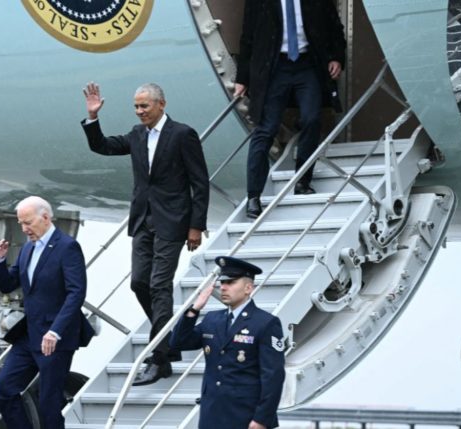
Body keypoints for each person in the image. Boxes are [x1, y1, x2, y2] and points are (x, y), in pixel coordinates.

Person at [82, 82, 210, 385]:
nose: (140, 111)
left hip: (173, 221)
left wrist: (196, 225)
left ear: (161, 104)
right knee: (139, 282)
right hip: (143, 220)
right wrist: (92, 117)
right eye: (136, 107)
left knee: (158, 285)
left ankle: (160, 358)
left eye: (145, 106)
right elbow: (102, 146)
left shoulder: (182, 134)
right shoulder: (137, 135)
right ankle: (169, 338)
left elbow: (199, 182)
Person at [234, 0, 346, 219]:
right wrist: (242, 78)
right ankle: (254, 197)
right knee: (266, 129)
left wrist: (337, 58)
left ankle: (302, 181)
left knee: (312, 119)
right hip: (274, 68)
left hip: (307, 65)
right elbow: (247, 37)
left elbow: (334, 27)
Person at [0, 196, 91, 429]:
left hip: (55, 338)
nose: (24, 229)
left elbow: (76, 293)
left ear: (45, 217)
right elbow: (8, 285)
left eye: (28, 223)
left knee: (49, 403)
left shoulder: (67, 247)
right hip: (29, 336)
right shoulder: (27, 248)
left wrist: (55, 331)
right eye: (20, 224)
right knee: (3, 389)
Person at [170, 256, 285, 429]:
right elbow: (178, 343)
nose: (223, 287)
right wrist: (194, 309)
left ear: (248, 288)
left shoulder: (265, 323)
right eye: (222, 282)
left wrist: (262, 419)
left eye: (230, 282)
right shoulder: (212, 319)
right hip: (212, 415)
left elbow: (273, 376)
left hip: (246, 417)